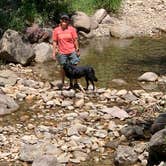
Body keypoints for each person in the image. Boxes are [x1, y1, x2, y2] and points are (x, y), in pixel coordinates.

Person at [52, 13, 80, 89]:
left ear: (68, 21)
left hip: (72, 51)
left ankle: (75, 83)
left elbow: (75, 40)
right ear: (60, 20)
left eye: (66, 19)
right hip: (62, 52)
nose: (64, 21)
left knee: (74, 67)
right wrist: (54, 53)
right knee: (63, 68)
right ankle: (63, 82)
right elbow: (54, 42)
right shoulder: (56, 30)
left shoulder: (72, 29)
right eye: (63, 19)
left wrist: (77, 49)